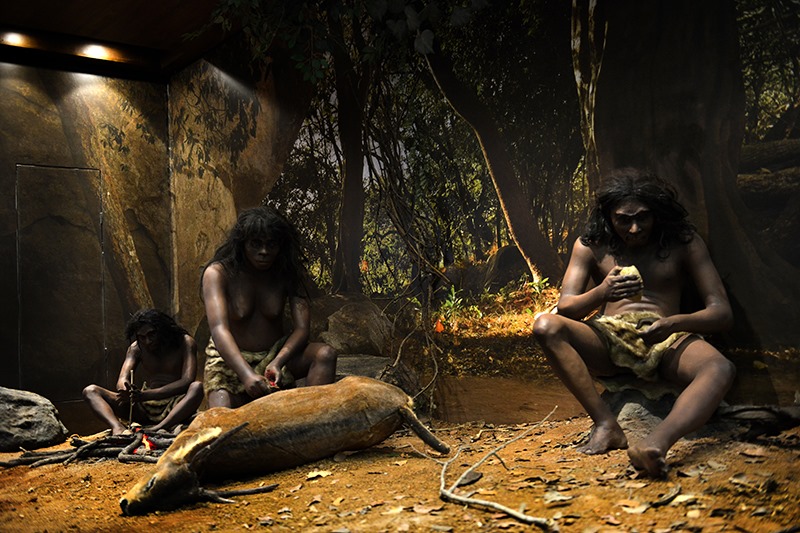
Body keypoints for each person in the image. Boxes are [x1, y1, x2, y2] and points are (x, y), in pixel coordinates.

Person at [533, 168, 736, 477]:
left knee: (720, 368)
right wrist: (602, 292)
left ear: (657, 213)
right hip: (608, 338)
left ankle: (655, 443)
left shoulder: (683, 243)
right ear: (608, 216)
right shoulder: (591, 245)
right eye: (623, 220)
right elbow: (566, 308)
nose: (634, 228)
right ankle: (606, 424)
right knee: (546, 326)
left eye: (643, 217)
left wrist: (674, 324)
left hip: (666, 338)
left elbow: (721, 312)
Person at [201, 205, 337, 408]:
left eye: (271, 245)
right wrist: (246, 375)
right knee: (221, 421)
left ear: (280, 246)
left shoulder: (288, 273)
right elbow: (219, 329)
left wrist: (278, 362)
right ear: (243, 243)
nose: (263, 252)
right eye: (256, 244)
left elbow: (302, 329)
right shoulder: (218, 273)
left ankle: (311, 420)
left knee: (325, 354)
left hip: (275, 355)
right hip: (229, 361)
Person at [83, 309, 204, 435]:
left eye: (152, 335)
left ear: (163, 330)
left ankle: (160, 427)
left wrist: (145, 395)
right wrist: (125, 389)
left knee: (197, 387)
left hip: (177, 404)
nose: (147, 341)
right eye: (142, 337)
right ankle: (118, 428)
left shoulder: (185, 342)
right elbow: (122, 378)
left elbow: (187, 381)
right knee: (91, 391)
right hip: (145, 407)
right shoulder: (136, 348)